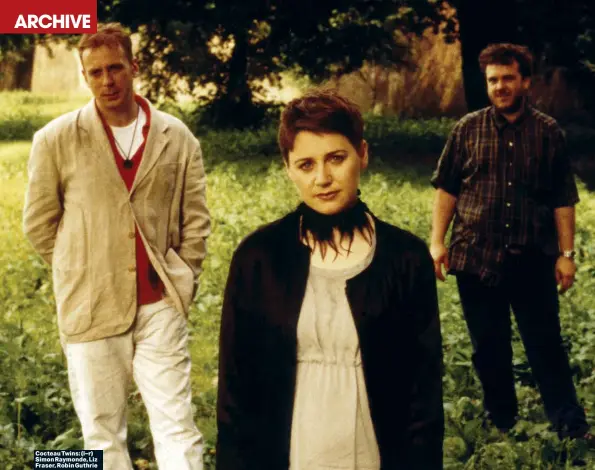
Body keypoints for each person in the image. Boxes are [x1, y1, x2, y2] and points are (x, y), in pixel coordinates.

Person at [216, 89, 444, 469]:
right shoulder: (259, 257)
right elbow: (236, 391)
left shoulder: (405, 257)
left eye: (336, 158)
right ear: (288, 169)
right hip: (290, 448)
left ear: (363, 154)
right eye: (305, 165)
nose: (322, 178)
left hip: (372, 449)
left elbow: (423, 392)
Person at [23, 23, 210, 470]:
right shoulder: (55, 140)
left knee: (177, 426)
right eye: (96, 73)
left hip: (159, 306)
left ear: (134, 67)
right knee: (102, 434)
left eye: (116, 69)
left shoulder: (176, 137)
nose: (107, 81)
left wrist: (180, 279)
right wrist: (80, 270)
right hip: (90, 308)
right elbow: (39, 224)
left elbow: (196, 220)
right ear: (85, 77)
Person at [430, 43, 591, 440]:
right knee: (489, 347)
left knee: (546, 344)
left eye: (507, 79)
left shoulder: (548, 132)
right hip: (475, 257)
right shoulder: (467, 129)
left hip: (532, 257)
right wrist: (437, 242)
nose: (500, 86)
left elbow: (562, 197)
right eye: (493, 80)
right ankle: (502, 420)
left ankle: (569, 424)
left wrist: (566, 255)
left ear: (525, 82)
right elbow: (446, 189)